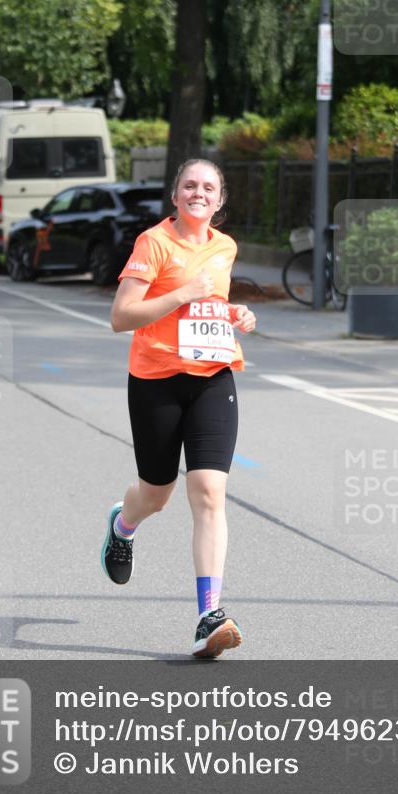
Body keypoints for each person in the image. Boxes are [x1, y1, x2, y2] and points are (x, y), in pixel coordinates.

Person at [102, 158, 256, 658]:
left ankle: (208, 614)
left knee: (209, 491)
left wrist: (236, 313)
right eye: (189, 185)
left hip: (213, 376)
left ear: (220, 199)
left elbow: (210, 306)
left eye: (208, 187)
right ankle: (122, 526)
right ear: (175, 196)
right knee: (156, 493)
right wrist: (182, 293)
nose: (198, 192)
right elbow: (121, 317)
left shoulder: (224, 247)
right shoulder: (154, 243)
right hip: (157, 380)